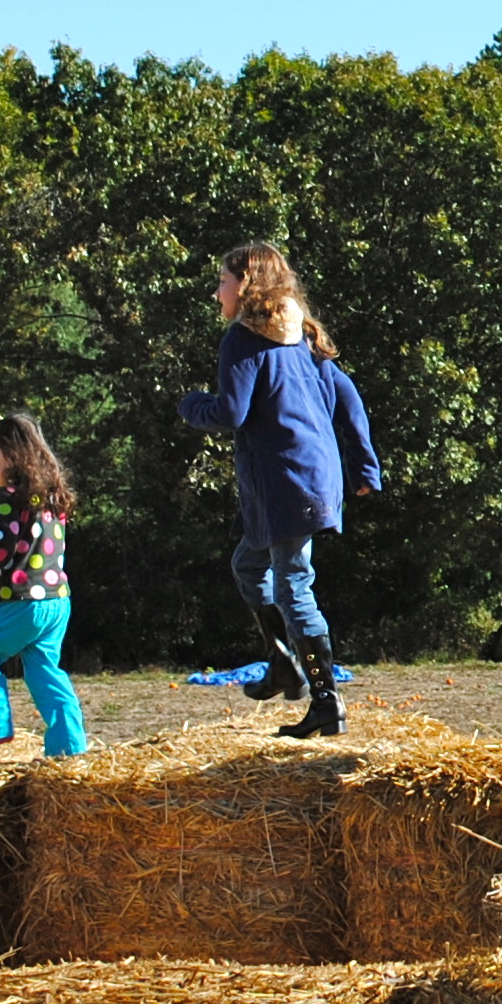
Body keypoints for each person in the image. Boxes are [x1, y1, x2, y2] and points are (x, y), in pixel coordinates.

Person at [179, 241, 383, 738]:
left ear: (246, 285)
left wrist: (191, 405)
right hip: (311, 477)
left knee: (293, 586)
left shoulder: (243, 339)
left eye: (223, 282)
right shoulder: (301, 334)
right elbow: (348, 396)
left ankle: (326, 702)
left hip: (286, 481)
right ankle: (283, 662)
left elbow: (231, 412)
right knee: (249, 566)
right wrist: (364, 465)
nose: (217, 293)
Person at [0, 411, 89, 757]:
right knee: (45, 672)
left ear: (11, 456)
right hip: (57, 600)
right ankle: (69, 748)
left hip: (25, 603)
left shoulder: (10, 496)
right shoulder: (50, 495)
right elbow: (30, 549)